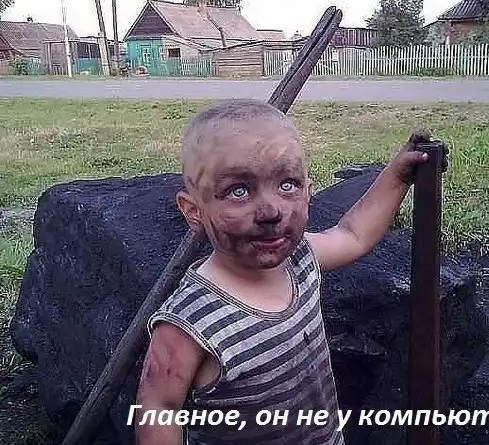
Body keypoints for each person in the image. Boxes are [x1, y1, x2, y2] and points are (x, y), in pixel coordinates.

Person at [134, 99, 432, 445]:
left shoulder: (300, 258)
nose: (270, 211)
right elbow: (159, 410)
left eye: (287, 184)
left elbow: (353, 234)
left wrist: (397, 176)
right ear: (193, 210)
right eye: (238, 190)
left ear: (308, 192)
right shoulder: (190, 320)